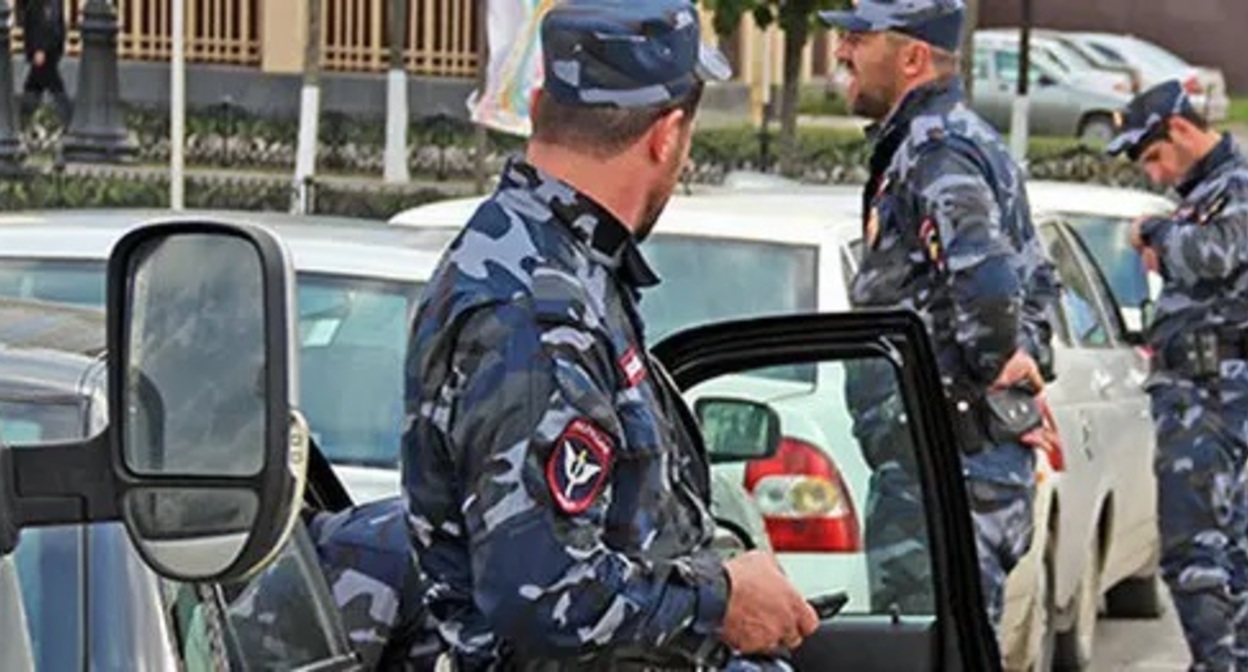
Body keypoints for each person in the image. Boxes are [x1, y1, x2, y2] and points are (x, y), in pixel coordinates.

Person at [401, 0, 818, 668]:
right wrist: (720, 599)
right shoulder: (535, 309)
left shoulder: (560, 264)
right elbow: (543, 592)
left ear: (538, 105)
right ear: (667, 136)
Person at [820, 0, 1060, 636]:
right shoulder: (958, 140)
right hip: (954, 464)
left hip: (945, 468)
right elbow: (1040, 279)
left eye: (858, 38)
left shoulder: (937, 149)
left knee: (929, 648)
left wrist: (996, 362)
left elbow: (990, 281)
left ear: (912, 57)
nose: (841, 52)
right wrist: (1019, 358)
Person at [1108, 79, 1248, 671]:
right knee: (1222, 552)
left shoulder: (1235, 186)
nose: (1155, 174)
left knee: (1196, 552)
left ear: (1183, 129)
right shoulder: (1206, 192)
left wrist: (1157, 234)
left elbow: (1215, 254)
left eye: (1154, 156)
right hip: (1202, 391)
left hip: (1213, 394)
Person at [17, 0, 71, 126]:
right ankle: (66, 119)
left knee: (35, 86)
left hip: (52, 52)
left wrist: (60, 49)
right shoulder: (34, 5)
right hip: (41, 53)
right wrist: (37, 49)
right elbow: (32, 28)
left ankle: (25, 120)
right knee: (53, 86)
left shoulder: (57, 3)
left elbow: (59, 25)